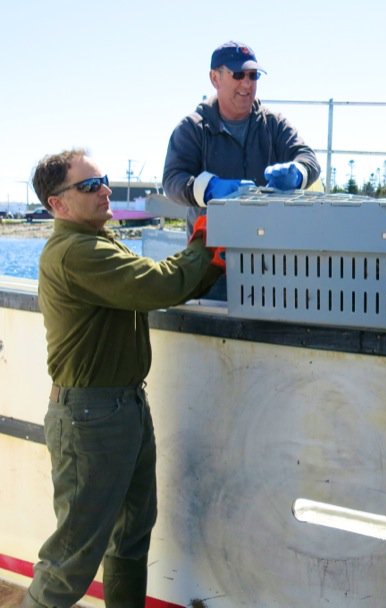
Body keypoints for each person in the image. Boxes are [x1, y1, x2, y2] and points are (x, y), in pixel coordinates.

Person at [22, 149, 223, 608]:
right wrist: (205, 246)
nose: (105, 190)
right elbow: (157, 286)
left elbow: (162, 282)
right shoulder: (76, 253)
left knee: (130, 538)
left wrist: (208, 263)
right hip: (91, 420)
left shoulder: (99, 240)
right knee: (70, 562)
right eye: (90, 186)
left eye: (105, 180)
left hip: (123, 408)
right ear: (58, 204)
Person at [162, 40, 321, 299]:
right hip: (211, 270)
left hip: (270, 268)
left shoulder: (274, 124)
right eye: (238, 75)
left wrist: (298, 172)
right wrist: (209, 188)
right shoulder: (192, 129)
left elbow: (309, 159)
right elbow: (172, 180)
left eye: (253, 75)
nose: (247, 84)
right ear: (215, 78)